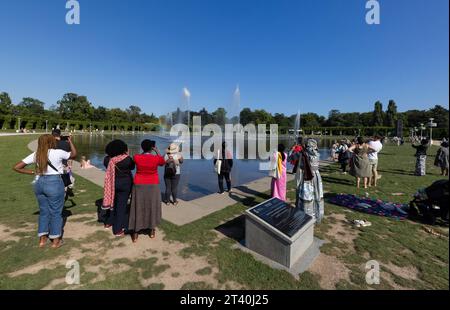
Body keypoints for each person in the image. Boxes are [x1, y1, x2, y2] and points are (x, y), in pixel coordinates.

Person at [13, 134, 77, 248]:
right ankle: (55, 241)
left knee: (44, 211)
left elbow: (16, 167)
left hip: (39, 183)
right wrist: (70, 142)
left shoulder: (37, 154)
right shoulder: (58, 152)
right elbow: (74, 155)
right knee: (56, 212)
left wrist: (33, 173)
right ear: (51, 142)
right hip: (54, 183)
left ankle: (42, 240)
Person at [129, 139, 165, 242]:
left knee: (137, 206)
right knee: (152, 206)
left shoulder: (137, 157)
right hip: (153, 184)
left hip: (139, 184)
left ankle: (135, 233)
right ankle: (151, 230)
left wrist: (144, 151)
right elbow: (162, 162)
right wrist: (157, 150)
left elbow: (137, 158)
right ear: (152, 148)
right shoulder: (155, 158)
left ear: (142, 147)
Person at [102, 139, 135, 236]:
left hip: (112, 184)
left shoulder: (107, 159)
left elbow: (106, 166)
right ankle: (117, 229)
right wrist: (128, 154)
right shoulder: (127, 159)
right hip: (125, 184)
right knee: (121, 206)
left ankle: (108, 222)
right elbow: (132, 167)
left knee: (112, 202)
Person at [296, 138, 324, 223]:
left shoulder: (304, 154)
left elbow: (292, 158)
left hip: (307, 177)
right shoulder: (316, 154)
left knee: (307, 195)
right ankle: (315, 215)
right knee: (316, 194)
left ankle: (306, 215)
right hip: (315, 176)